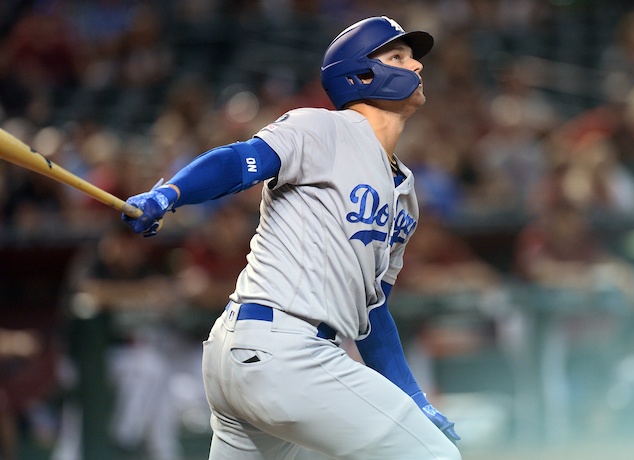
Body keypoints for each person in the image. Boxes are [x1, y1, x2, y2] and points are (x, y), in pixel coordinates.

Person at [122, 16, 461, 460]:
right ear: (360, 75)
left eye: (413, 57)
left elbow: (372, 311)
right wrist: (171, 193)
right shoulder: (321, 128)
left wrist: (413, 397)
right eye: (397, 57)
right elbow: (240, 160)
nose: (415, 66)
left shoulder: (405, 192)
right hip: (286, 349)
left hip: (253, 353)